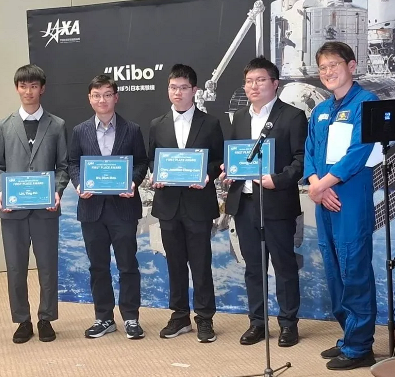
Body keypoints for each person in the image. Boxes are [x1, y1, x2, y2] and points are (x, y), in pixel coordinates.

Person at [221, 57, 307, 347]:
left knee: (284, 267)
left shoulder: (292, 116)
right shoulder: (240, 118)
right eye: (249, 81)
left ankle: (288, 324)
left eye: (260, 80)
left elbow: (301, 160)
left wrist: (278, 179)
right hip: (244, 203)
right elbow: (237, 157)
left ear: (275, 83)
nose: (253, 86)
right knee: (253, 268)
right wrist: (228, 170)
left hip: (277, 202)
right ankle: (257, 322)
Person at [304, 41, 378, 370]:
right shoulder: (320, 110)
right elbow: (310, 151)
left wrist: (321, 186)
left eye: (334, 65)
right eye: (322, 67)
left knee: (353, 268)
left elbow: (358, 152)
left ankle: (360, 346)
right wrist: (316, 185)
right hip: (324, 198)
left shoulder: (366, 103)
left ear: (351, 65)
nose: (328, 72)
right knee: (334, 269)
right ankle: (348, 336)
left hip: (350, 197)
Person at [0, 64, 69, 343]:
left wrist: (58, 190)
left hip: (46, 210)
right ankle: (22, 320)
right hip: (12, 211)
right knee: (15, 268)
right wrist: (0, 191)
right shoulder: (3, 125)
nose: (28, 91)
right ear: (17, 88)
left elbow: (63, 166)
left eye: (33, 86)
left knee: (48, 267)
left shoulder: (57, 125)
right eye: (23, 86)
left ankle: (46, 318)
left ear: (42, 89)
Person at [68, 75, 149, 339]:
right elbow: (72, 163)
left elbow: (141, 162)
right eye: (96, 95)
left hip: (123, 209)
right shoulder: (79, 131)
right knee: (98, 266)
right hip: (92, 209)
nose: (102, 100)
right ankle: (103, 318)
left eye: (107, 94)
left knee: (128, 265)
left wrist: (133, 182)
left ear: (116, 97)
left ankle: (131, 318)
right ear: (89, 99)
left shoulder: (132, 129)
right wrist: (79, 184)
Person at [148, 64, 223, 343]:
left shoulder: (210, 123)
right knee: (175, 264)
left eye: (183, 88)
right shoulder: (157, 124)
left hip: (198, 204)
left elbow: (219, 160)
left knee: (201, 264)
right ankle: (179, 316)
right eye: (173, 87)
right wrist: (155, 175)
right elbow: (153, 159)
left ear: (194, 90)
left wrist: (207, 174)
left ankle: (204, 318)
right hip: (168, 205)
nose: (177, 93)